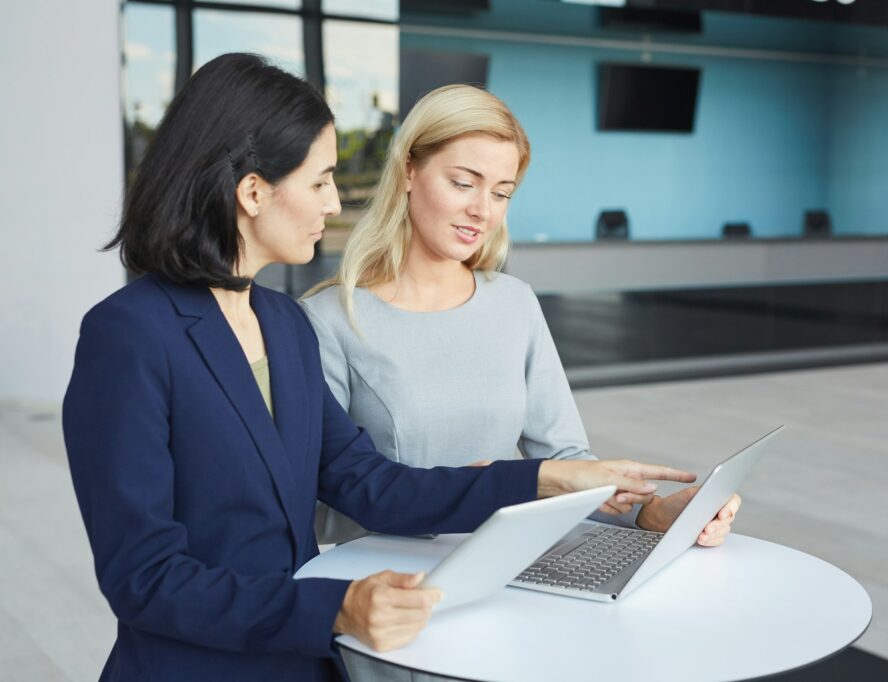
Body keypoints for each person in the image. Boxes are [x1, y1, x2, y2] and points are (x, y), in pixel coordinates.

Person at [62, 54, 696, 682]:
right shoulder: (129, 334)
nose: (335, 204)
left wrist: (541, 480)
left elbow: (371, 485)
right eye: (320, 182)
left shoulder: (282, 324)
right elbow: (144, 577)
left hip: (307, 660)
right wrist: (334, 607)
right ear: (253, 192)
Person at [301, 84, 742, 680]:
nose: (483, 209)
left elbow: (563, 461)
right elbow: (328, 493)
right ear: (409, 170)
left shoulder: (513, 303)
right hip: (391, 606)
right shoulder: (331, 318)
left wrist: (653, 516)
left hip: (505, 593)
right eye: (464, 182)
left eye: (502, 192)